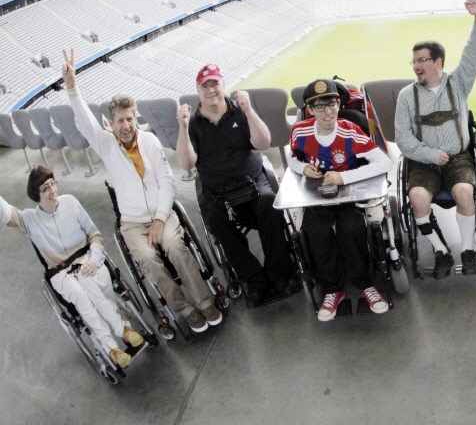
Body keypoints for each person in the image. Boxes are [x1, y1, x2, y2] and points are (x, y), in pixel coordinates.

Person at [61, 49, 222, 333]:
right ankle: (185, 309)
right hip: (133, 222)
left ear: (136, 120)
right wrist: (72, 89)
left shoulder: (149, 141)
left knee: (175, 246)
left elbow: (167, 181)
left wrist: (160, 219)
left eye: (130, 119)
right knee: (148, 259)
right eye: (120, 120)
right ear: (111, 125)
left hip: (162, 214)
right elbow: (85, 122)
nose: (126, 125)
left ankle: (205, 300)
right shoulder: (107, 146)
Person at [176, 64, 296, 307]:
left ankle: (279, 273)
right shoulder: (194, 122)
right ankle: (255, 279)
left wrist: (249, 109)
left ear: (223, 85)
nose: (211, 91)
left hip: (252, 183)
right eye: (204, 86)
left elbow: (264, 143)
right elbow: (186, 163)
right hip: (218, 193)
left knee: (269, 204)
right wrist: (183, 127)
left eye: (215, 84)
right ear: (198, 91)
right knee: (215, 221)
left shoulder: (239, 110)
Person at [2, 167, 145, 369]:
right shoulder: (29, 219)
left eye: (53, 184)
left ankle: (122, 329)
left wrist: (94, 260)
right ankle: (112, 347)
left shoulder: (70, 202)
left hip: (86, 258)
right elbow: (6, 212)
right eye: (45, 188)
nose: (52, 191)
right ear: (37, 195)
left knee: (89, 283)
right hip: (60, 273)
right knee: (80, 295)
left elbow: (95, 235)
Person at [395, 0, 476, 279]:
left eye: (422, 60)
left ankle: (468, 250)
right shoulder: (406, 96)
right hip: (423, 161)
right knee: (417, 198)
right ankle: (440, 250)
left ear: (438, 62)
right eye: (414, 61)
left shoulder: (457, 83)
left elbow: (474, 55)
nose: (416, 66)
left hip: (458, 157)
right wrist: (430, 155)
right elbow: (402, 137)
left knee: (465, 192)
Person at [289, 79, 392, 319]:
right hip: (318, 195)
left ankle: (365, 284)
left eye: (332, 104)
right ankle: (333, 290)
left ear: (339, 104)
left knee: (351, 226)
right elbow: (293, 158)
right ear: (310, 110)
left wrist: (344, 177)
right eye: (320, 107)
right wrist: (303, 168)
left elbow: (384, 162)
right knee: (315, 230)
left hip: (349, 194)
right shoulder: (300, 131)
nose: (328, 112)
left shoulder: (350, 130)